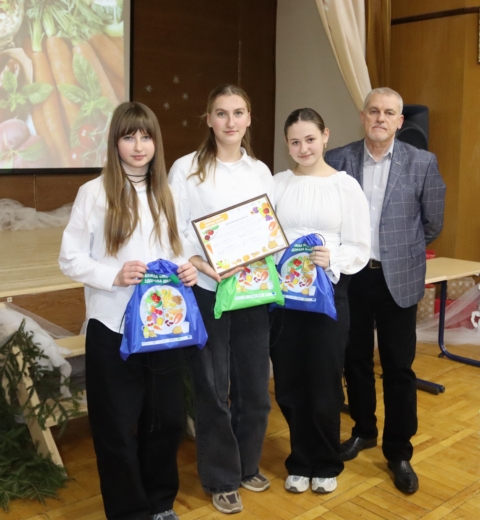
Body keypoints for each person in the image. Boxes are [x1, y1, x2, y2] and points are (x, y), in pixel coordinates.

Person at [59, 102, 198, 520]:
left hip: (163, 327)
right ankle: (129, 512)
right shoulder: (94, 193)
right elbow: (70, 259)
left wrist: (187, 267)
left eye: (146, 136)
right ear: (115, 142)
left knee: (167, 420)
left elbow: (180, 247)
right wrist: (113, 276)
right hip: (112, 327)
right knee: (116, 427)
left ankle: (160, 503)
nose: (139, 146)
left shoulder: (168, 192)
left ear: (156, 142)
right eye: (129, 137)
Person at [325, 87, 446, 494]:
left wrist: (400, 252)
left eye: (389, 112)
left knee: (398, 367)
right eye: (373, 111)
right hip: (353, 275)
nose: (380, 118)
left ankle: (399, 451)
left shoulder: (423, 162)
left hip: (398, 277)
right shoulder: (338, 160)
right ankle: (363, 430)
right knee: (355, 359)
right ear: (363, 117)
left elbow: (433, 222)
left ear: (400, 121)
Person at [168, 84, 273, 514]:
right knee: (213, 389)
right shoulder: (186, 169)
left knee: (255, 386)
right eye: (222, 113)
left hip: (251, 292)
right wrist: (198, 262)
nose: (231, 121)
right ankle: (221, 477)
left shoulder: (260, 171)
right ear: (208, 119)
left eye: (238, 112)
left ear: (249, 119)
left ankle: (248, 466)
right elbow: (173, 229)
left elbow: (269, 228)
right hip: (207, 290)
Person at [270, 108, 370, 494]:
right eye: (295, 141)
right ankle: (300, 460)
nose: (303, 148)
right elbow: (264, 236)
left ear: (325, 136)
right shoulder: (278, 184)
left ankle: (326, 463)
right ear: (287, 144)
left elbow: (360, 246)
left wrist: (335, 257)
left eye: (310, 139)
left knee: (325, 381)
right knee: (289, 380)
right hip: (284, 298)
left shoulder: (346, 186)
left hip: (329, 294)